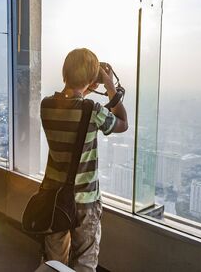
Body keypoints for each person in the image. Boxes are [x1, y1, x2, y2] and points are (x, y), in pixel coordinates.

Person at [41, 48, 128, 271]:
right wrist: (109, 84)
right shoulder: (93, 111)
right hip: (85, 200)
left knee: (54, 260)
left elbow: (73, 103)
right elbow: (122, 123)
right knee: (85, 260)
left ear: (64, 73)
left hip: (54, 197)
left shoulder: (47, 105)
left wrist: (87, 84)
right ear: (91, 79)